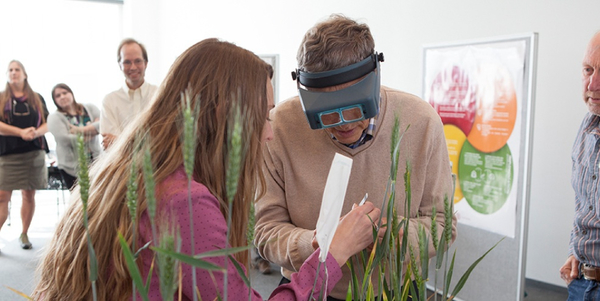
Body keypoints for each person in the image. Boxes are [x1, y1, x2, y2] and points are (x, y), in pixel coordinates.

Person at [33, 39, 381, 300]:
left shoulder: (131, 171)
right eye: (261, 117)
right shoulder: (182, 201)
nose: (270, 132)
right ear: (221, 115)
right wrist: (332, 254)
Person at [254, 15, 458, 300]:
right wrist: (317, 243)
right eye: (325, 114)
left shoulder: (421, 122)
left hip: (395, 291)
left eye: (355, 110)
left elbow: (442, 225)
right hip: (310, 288)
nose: (343, 124)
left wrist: (393, 235)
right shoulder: (277, 127)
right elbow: (264, 230)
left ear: (375, 81)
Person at [560, 30, 600, 300]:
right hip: (582, 282)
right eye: (588, 70)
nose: (592, 83)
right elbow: (583, 204)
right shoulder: (588, 126)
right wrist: (579, 252)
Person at [0, 60, 49, 251]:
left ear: (24, 74)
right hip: (7, 155)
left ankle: (24, 233)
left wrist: (35, 133)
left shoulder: (36, 98)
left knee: (29, 195)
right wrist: (20, 132)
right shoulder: (1, 98)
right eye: (10, 70)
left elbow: (48, 122)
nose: (13, 73)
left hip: (33, 153)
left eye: (17, 69)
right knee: (2, 196)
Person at [100, 38, 158, 149]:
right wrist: (144, 143)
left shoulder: (159, 95)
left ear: (145, 63)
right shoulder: (109, 101)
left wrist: (119, 142)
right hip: (121, 166)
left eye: (137, 61)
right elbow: (110, 148)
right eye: (127, 62)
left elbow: (161, 140)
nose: (133, 67)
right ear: (120, 65)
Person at [47, 83, 102, 190]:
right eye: (58, 96)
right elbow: (64, 139)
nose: (62, 96)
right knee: (79, 201)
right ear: (54, 100)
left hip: (95, 162)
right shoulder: (54, 117)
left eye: (64, 93)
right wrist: (92, 129)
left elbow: (103, 124)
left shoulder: (90, 108)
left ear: (71, 93)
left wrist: (78, 130)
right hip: (71, 167)